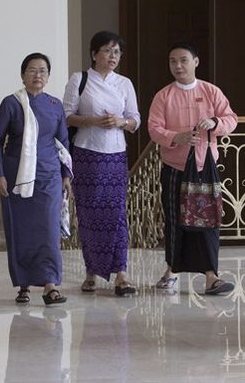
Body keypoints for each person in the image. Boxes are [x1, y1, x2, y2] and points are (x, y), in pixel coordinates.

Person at [147, 41, 237, 295]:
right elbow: (154, 129)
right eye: (173, 61)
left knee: (208, 220)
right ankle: (171, 271)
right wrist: (177, 137)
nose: (178, 65)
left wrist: (215, 122)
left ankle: (211, 277)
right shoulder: (163, 95)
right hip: (174, 167)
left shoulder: (211, 91)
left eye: (183, 60)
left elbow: (230, 119)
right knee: (175, 218)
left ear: (195, 62)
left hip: (204, 166)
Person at [62, 30, 141, 296]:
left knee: (117, 213)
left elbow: (135, 119)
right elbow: (67, 116)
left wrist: (121, 122)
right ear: (94, 53)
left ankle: (121, 274)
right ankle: (91, 271)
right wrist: (94, 121)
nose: (112, 56)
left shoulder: (124, 83)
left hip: (116, 154)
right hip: (87, 153)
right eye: (107, 51)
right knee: (89, 213)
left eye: (117, 52)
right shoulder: (80, 79)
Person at [0, 53, 71, 306]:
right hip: (17, 177)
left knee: (48, 230)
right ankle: (24, 284)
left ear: (48, 76)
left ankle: (50, 285)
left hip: (49, 175)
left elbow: (63, 142)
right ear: (23, 74)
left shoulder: (55, 105)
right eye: (32, 70)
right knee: (21, 231)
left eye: (43, 71)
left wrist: (66, 174)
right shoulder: (11, 104)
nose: (38, 75)